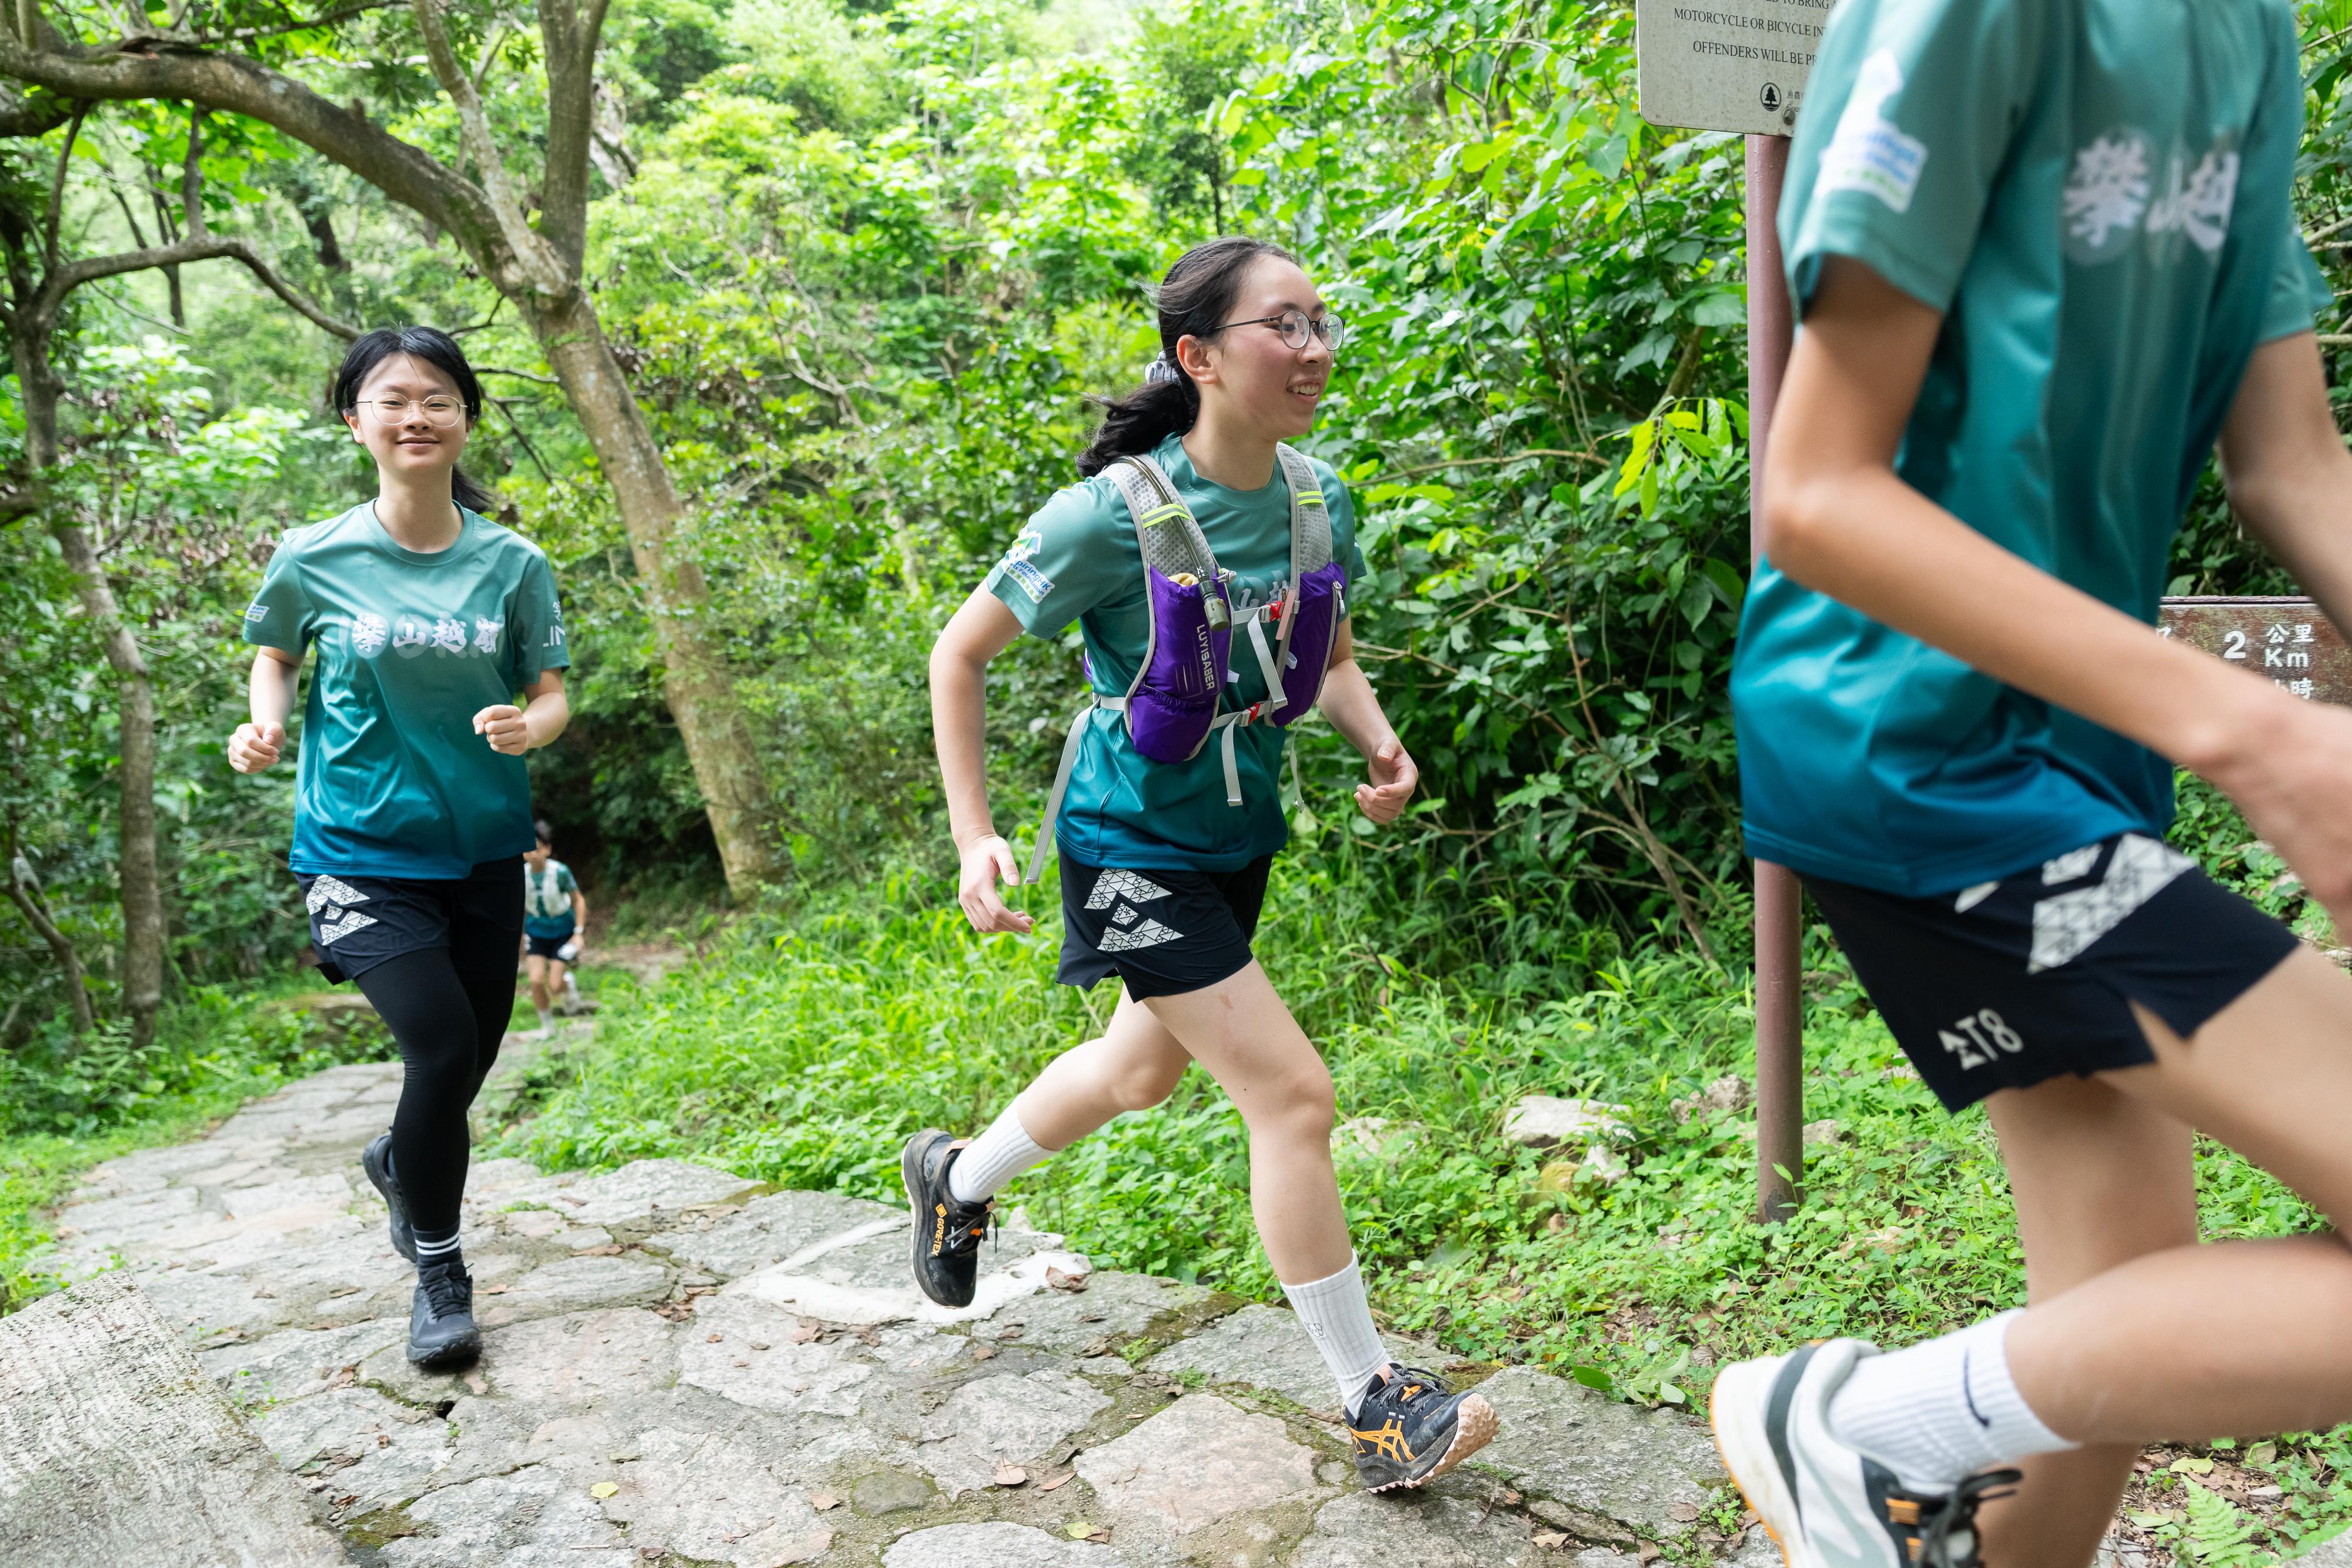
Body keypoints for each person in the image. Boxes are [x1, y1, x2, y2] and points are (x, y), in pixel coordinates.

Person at [1706, 2, 2352, 1566]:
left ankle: (1899, 1462)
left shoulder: (2245, 32)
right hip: (1908, 754)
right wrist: (2256, 732)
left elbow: (2291, 463)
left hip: (2078, 761)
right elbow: (1814, 492)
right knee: (2065, 1362)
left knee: (2096, 1348)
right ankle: (1851, 1425)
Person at [908, 236, 1499, 1493]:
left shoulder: (1317, 498)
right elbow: (957, 653)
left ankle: (955, 1177)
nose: (1313, 348)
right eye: (1283, 325)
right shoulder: (1106, 515)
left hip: (1234, 840)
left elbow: (1328, 658)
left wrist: (1380, 741)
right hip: (1127, 845)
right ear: (1200, 356)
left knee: (1138, 1072)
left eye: (1321, 322)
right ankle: (1373, 1401)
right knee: (1292, 1096)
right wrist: (974, 833)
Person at [229, 326, 570, 1370]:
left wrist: (529, 727)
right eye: (392, 398)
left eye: (437, 398)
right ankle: (440, 1270)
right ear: (356, 421)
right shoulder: (314, 553)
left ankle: (398, 1159)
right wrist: (264, 722)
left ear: (465, 419)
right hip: (357, 847)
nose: (415, 415)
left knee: (468, 1059)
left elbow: (552, 693)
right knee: (442, 1047)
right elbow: (274, 654)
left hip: (483, 847)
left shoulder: (513, 563)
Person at [520, 820, 587, 1034]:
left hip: (562, 932)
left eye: (537, 849)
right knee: (535, 980)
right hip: (536, 932)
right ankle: (548, 1026)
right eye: (528, 850)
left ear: (547, 849)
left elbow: (578, 900)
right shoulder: (520, 876)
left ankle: (568, 984)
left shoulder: (560, 872)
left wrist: (578, 933)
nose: (533, 854)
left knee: (556, 986)